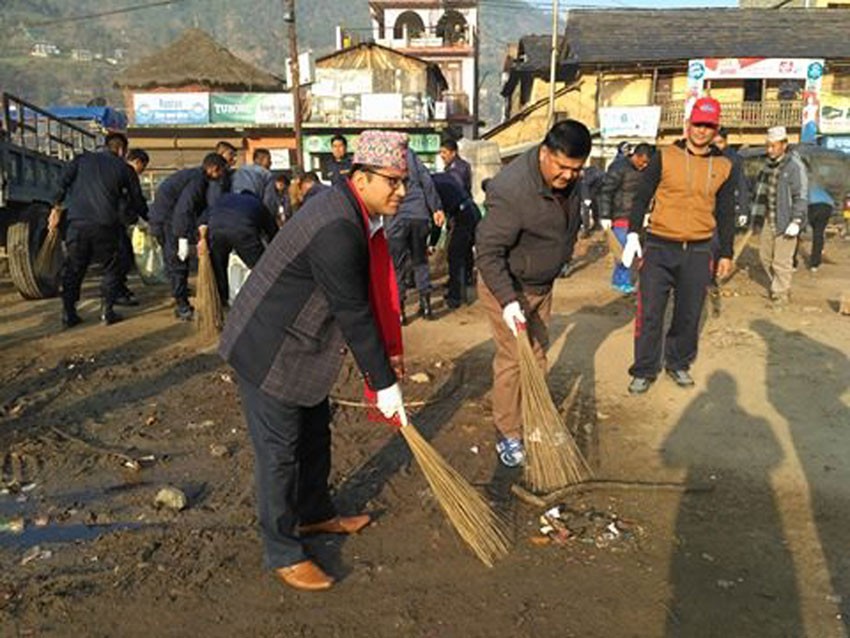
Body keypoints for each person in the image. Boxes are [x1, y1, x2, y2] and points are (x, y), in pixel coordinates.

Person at [218, 130, 409, 592]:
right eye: (393, 182)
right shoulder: (338, 226)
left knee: (314, 432)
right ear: (361, 178)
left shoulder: (352, 210)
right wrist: (383, 384)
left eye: (405, 182)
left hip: (302, 341)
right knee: (279, 452)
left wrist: (384, 374)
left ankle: (315, 514)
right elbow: (353, 310)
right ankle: (282, 549)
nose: (402, 192)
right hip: (270, 346)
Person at [476, 119, 591, 467]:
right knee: (513, 358)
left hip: (542, 284)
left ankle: (534, 417)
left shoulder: (571, 181)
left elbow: (569, 222)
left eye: (576, 169)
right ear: (544, 153)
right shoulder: (512, 191)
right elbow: (487, 252)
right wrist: (509, 302)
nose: (568, 176)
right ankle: (508, 432)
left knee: (538, 354)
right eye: (562, 167)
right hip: (507, 286)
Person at [622, 97, 735, 394]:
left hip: (699, 250)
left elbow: (725, 212)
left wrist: (726, 253)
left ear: (716, 129)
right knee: (650, 312)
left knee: (689, 312)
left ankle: (678, 363)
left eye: (708, 126)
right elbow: (642, 195)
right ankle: (644, 369)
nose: (701, 130)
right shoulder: (665, 156)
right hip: (660, 246)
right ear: (688, 125)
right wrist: (633, 233)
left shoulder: (724, 166)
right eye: (697, 124)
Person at [51, 132, 147, 327]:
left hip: (77, 224)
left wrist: (55, 207)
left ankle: (68, 313)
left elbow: (61, 184)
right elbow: (137, 200)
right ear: (121, 150)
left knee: (74, 268)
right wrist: (149, 219)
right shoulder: (124, 168)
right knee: (113, 266)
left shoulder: (81, 160)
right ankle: (107, 311)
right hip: (106, 226)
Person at [148, 153, 228, 320]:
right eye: (221, 172)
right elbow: (183, 210)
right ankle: (182, 305)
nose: (221, 176)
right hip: (167, 223)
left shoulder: (198, 178)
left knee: (176, 264)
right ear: (213, 169)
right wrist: (182, 238)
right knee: (178, 264)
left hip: (168, 221)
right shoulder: (197, 181)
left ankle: (180, 296)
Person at [386, 147, 445, 322]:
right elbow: (427, 181)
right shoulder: (412, 155)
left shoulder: (384, 156)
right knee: (420, 261)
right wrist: (436, 208)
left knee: (398, 266)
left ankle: (400, 312)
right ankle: (426, 307)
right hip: (419, 215)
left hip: (396, 216)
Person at [751, 126, 808, 305]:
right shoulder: (767, 165)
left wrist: (797, 220)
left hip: (787, 219)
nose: (770, 150)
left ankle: (781, 293)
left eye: (773, 146)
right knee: (765, 256)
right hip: (770, 218)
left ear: (784, 144)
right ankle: (779, 285)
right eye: (768, 146)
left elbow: (802, 195)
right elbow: (760, 193)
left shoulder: (794, 166)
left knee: (781, 261)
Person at [200, 191, 278, 304]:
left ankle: (221, 299)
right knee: (259, 266)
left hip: (216, 230)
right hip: (242, 231)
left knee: (219, 267)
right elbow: (272, 231)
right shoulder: (257, 204)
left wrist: (202, 239)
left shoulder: (223, 198)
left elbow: (203, 220)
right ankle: (267, 298)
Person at [598, 143, 652, 294]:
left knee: (634, 251)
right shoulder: (619, 167)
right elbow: (606, 192)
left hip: (637, 217)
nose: (645, 165)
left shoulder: (645, 172)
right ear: (637, 156)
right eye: (643, 162)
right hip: (619, 216)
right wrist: (605, 215)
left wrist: (646, 212)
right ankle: (620, 280)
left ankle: (622, 278)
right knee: (622, 250)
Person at [432, 172, 481, 308]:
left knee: (455, 255)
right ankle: (465, 283)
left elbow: (437, 220)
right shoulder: (443, 177)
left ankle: (456, 297)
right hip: (472, 211)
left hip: (463, 216)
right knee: (465, 252)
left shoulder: (431, 187)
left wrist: (432, 243)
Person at [114, 148, 151, 306]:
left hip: (111, 220)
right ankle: (117, 292)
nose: (142, 172)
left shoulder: (115, 170)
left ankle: (120, 288)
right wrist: (143, 217)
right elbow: (136, 198)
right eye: (143, 167)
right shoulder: (128, 172)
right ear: (137, 162)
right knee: (122, 258)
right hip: (117, 222)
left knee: (122, 257)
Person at [231, 148, 279, 216]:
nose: (271, 163)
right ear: (261, 159)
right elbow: (269, 202)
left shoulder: (239, 171)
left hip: (234, 211)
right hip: (254, 212)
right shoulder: (266, 174)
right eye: (269, 159)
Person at [806, 185, 834, 272]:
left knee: (798, 232)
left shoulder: (806, 187)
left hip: (812, 205)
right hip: (827, 207)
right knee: (819, 233)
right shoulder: (823, 191)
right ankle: (815, 264)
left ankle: (793, 263)